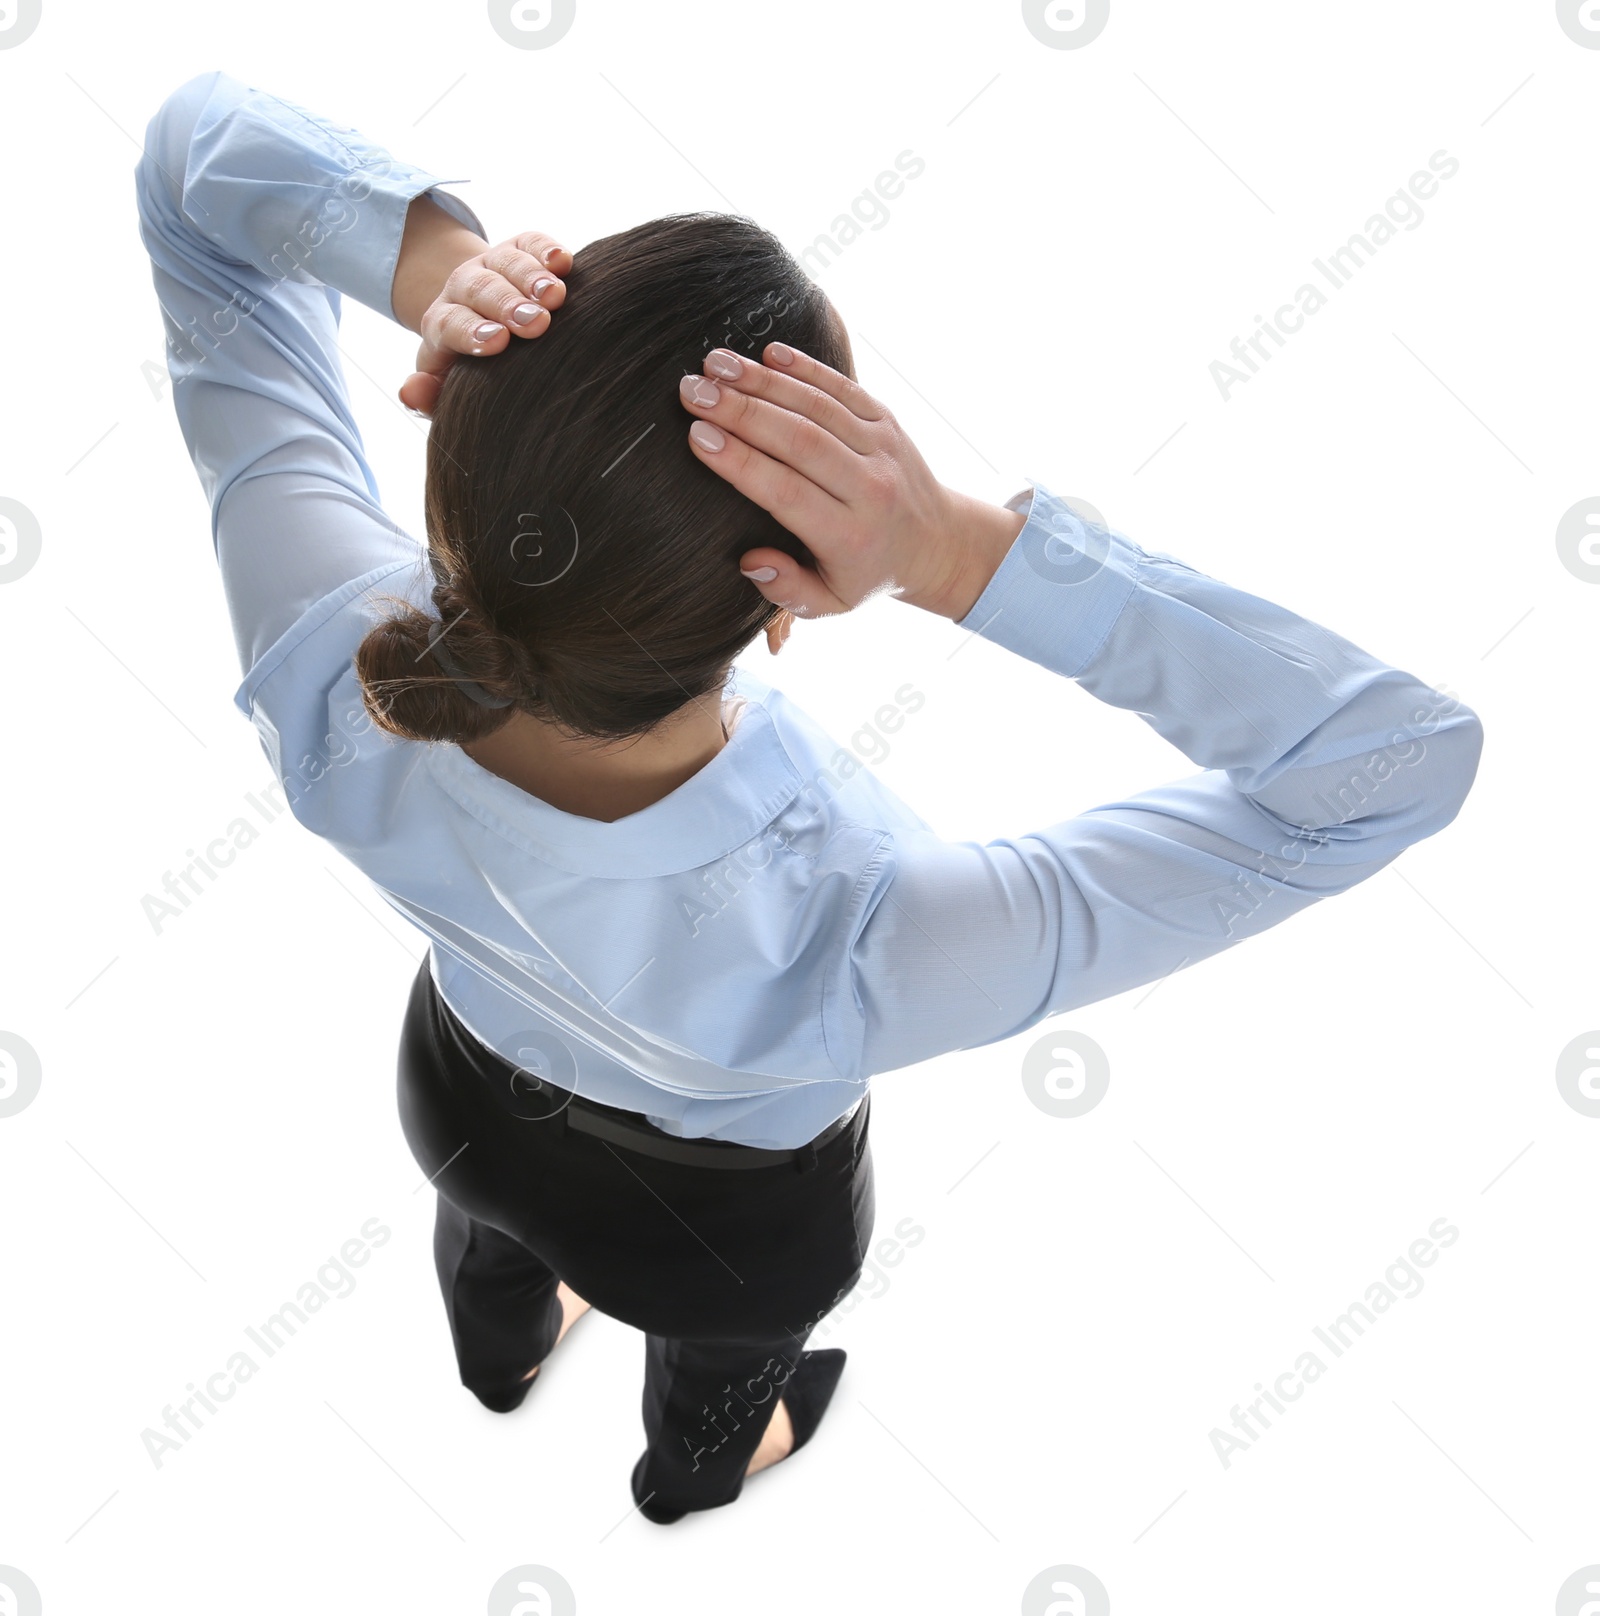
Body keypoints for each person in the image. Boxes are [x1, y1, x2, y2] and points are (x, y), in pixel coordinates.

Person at [135, 70, 1484, 1526]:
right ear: (784, 606)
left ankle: (500, 1355)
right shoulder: (869, 936)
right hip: (721, 1242)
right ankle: (696, 1474)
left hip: (458, 1101)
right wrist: (965, 556)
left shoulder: (321, 655)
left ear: (455, 439)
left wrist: (446, 276)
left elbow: (188, 175)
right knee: (728, 1369)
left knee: (495, 1244)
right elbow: (1395, 769)